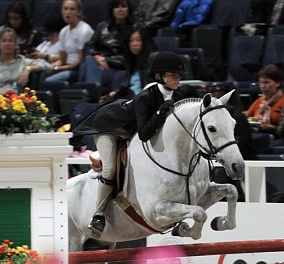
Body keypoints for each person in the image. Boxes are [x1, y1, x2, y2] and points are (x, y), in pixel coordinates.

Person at [72, 52, 185, 236]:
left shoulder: (176, 95)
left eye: (179, 75)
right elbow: (144, 134)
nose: (178, 79)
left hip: (129, 130)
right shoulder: (145, 98)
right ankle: (98, 215)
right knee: (109, 170)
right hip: (109, 127)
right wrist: (159, 114)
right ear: (159, 77)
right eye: (173, 75)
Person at [78, 0, 134, 94]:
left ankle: (91, 94)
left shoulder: (134, 29)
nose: (120, 10)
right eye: (116, 7)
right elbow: (88, 47)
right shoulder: (102, 26)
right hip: (100, 67)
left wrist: (106, 60)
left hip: (119, 70)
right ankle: (93, 93)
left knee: (87, 66)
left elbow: (130, 58)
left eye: (123, 6)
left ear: (128, 9)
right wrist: (98, 57)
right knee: (88, 59)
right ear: (112, 10)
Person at [0, 27, 53, 93]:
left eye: (10, 41)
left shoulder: (23, 61)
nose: (7, 44)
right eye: (4, 41)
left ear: (16, 45)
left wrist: (28, 69)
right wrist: (3, 91)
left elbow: (48, 66)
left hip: (19, 101)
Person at [45, 0, 94, 83]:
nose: (68, 12)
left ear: (79, 12)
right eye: (65, 9)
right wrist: (49, 67)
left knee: (49, 81)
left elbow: (80, 62)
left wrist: (58, 68)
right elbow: (62, 60)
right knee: (41, 72)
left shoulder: (84, 30)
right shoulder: (63, 31)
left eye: (72, 9)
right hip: (66, 66)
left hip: (78, 70)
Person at [245, 64, 284, 136]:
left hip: (275, 137)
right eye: (261, 82)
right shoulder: (259, 100)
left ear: (278, 83)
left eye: (267, 82)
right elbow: (246, 117)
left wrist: (272, 128)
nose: (263, 86)